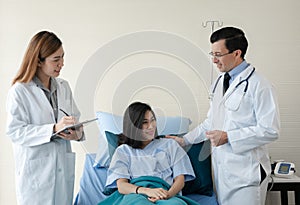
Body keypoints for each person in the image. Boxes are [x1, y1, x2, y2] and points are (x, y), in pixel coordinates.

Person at [167, 27, 280, 205]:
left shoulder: (260, 85)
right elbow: (210, 123)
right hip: (223, 173)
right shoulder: (220, 82)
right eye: (212, 53)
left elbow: (270, 130)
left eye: (218, 54)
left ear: (236, 53)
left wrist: (229, 137)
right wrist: (185, 140)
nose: (214, 60)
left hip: (247, 175)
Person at [6, 31, 84, 205]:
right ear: (39, 61)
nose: (62, 64)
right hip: (36, 175)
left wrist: (76, 133)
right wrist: (53, 129)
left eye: (62, 57)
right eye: (56, 59)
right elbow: (15, 131)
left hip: (62, 168)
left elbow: (75, 119)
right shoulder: (20, 91)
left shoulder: (64, 87)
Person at [99, 102, 197, 205]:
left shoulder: (170, 145)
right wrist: (147, 191)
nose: (151, 127)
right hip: (136, 194)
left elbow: (180, 180)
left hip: (167, 194)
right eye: (145, 122)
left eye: (153, 120)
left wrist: (166, 195)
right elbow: (122, 186)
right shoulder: (123, 151)